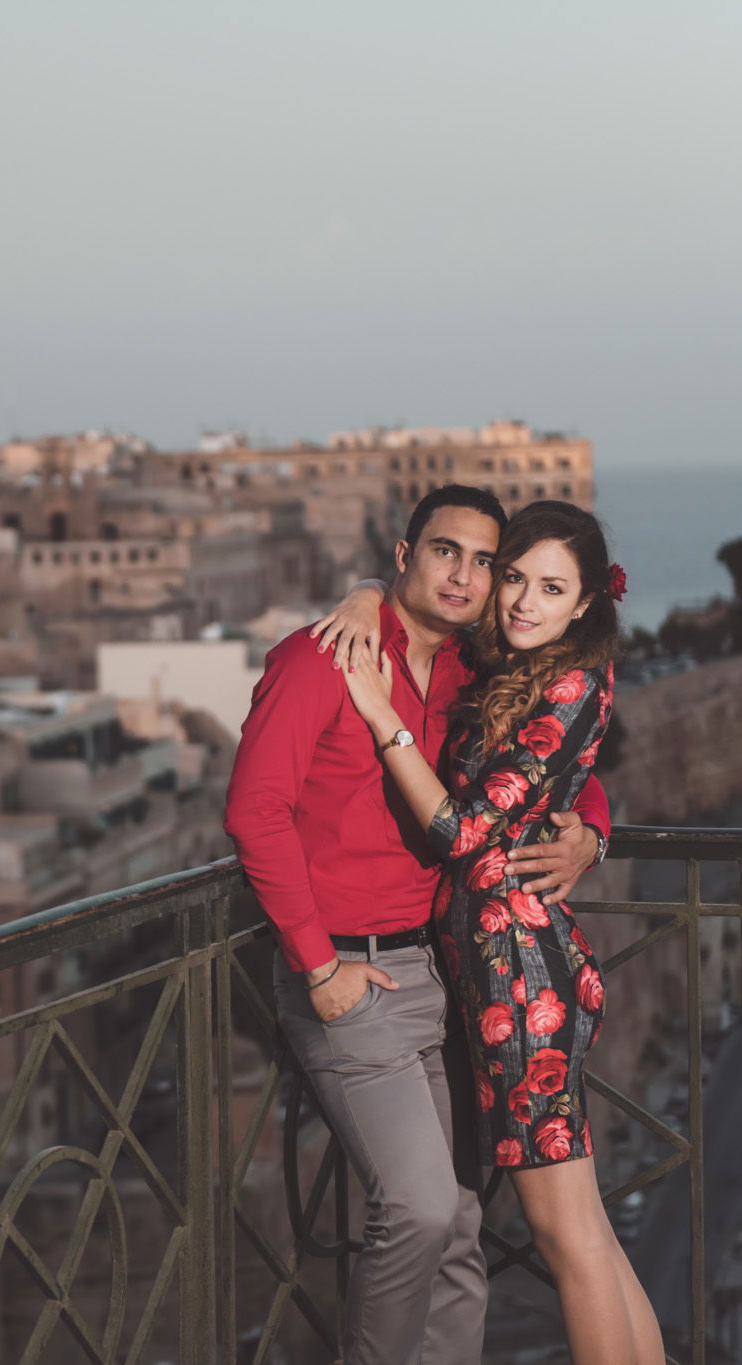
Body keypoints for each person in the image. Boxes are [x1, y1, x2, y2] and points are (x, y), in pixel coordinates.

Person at [223, 485, 611, 1365]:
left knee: (463, 1225)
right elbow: (254, 813)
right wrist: (319, 969)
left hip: (447, 976)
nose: (466, 576)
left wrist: (593, 831)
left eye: (486, 562)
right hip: (352, 978)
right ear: (403, 557)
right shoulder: (324, 658)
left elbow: (554, 768)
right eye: (446, 552)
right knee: (421, 1206)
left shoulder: (480, 671)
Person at [327, 499, 661, 1365]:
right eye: (513, 577)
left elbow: (463, 831)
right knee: (586, 1229)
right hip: (515, 973)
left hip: (522, 983)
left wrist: (381, 716)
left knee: (565, 1238)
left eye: (551, 587)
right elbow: (413, 601)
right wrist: (369, 592)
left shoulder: (569, 681)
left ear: (585, 603)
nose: (520, 600)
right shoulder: (515, 662)